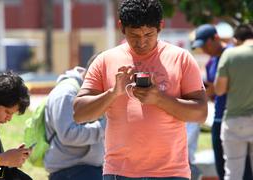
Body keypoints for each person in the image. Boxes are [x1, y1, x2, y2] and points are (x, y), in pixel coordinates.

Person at [73, 0, 207, 179]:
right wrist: (113, 93)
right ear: (121, 27)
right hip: (118, 173)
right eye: (134, 35)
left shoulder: (181, 59)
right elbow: (79, 114)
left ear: (160, 26)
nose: (141, 42)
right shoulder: (104, 61)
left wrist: (159, 99)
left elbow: (200, 113)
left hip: (171, 173)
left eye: (148, 34)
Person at [192, 24, 252, 180]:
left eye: (205, 44)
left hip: (235, 117)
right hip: (219, 119)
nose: (204, 50)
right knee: (222, 169)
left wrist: (211, 90)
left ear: (215, 38)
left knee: (242, 171)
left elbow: (221, 88)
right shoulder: (211, 62)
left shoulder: (233, 54)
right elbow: (214, 91)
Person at [44, 53, 105, 180]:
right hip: (71, 172)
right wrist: (104, 127)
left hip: (89, 169)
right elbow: (68, 134)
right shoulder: (66, 93)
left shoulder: (92, 92)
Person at [214, 23, 253, 180]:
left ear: (236, 40)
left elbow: (219, 89)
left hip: (235, 121)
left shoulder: (230, 54)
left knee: (233, 173)